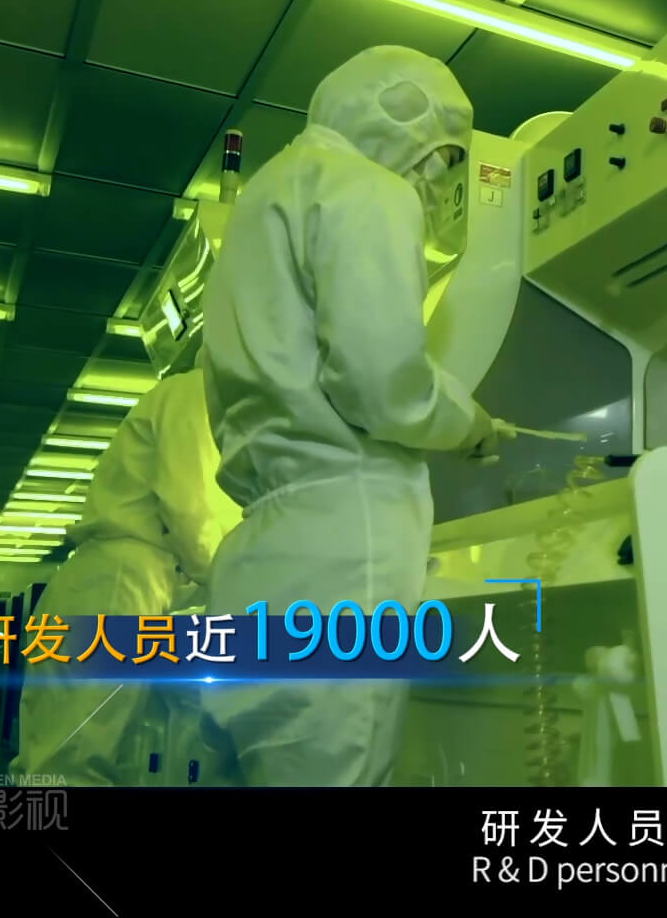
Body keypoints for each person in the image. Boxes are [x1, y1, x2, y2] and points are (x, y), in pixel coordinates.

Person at [199, 46, 505, 787]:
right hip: (343, 551)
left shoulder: (264, 198)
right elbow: (382, 382)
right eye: (443, 159)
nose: (438, 181)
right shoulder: (368, 189)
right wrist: (468, 424)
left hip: (262, 556)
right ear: (406, 117)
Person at [10, 366, 240, 785]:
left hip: (107, 583)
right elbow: (193, 516)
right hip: (119, 585)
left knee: (54, 757)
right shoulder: (196, 393)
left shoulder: (204, 402)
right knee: (75, 760)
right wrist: (251, 587)